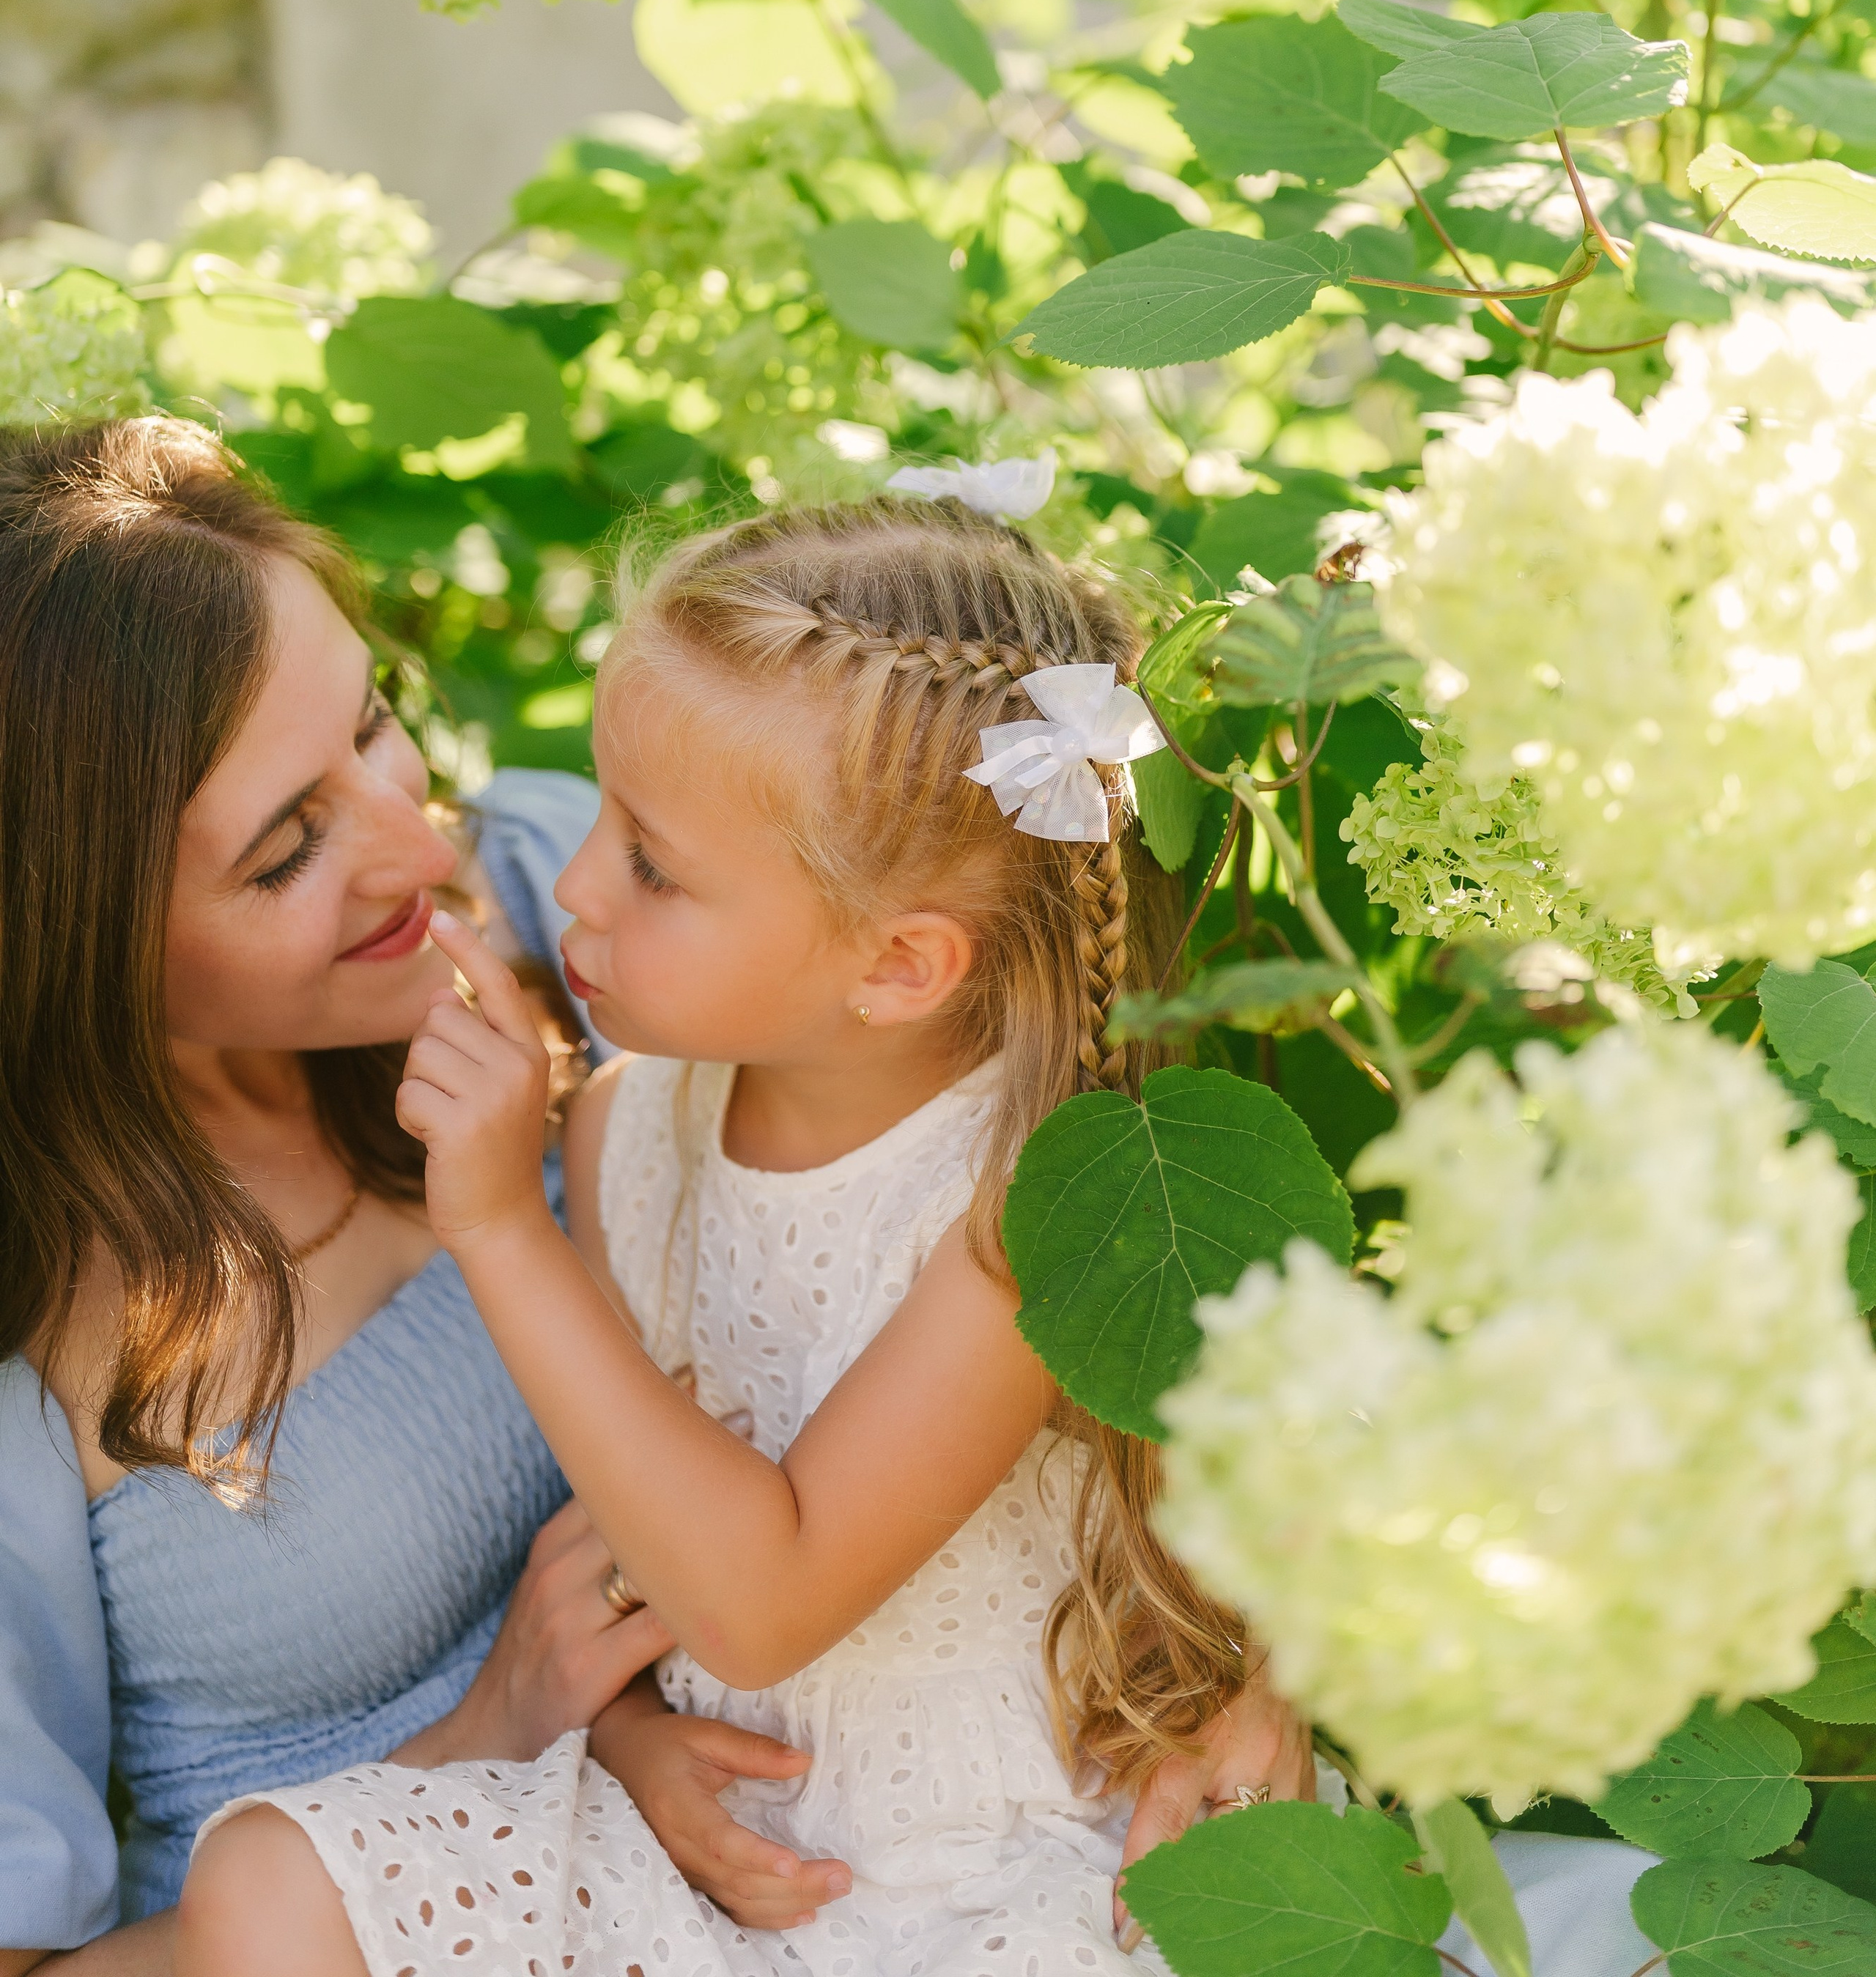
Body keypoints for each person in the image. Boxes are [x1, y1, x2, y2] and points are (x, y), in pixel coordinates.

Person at [180, 498, 1651, 1977]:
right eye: (605, 817)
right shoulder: (624, 1131)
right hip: (732, 1858)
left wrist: (500, 1228)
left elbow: (760, 1599)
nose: (567, 882)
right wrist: (624, 1733)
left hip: (990, 1875)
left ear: (895, 965)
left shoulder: (1016, 1209)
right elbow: (643, 1540)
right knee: (266, 1883)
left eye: (651, 862)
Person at [0, 418, 791, 1973]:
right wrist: (493, 1730)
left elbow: (969, 1188)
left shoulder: (571, 876)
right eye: (287, 849)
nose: (412, 847)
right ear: (77, 951)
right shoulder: (32, 1352)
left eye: (371, 727)